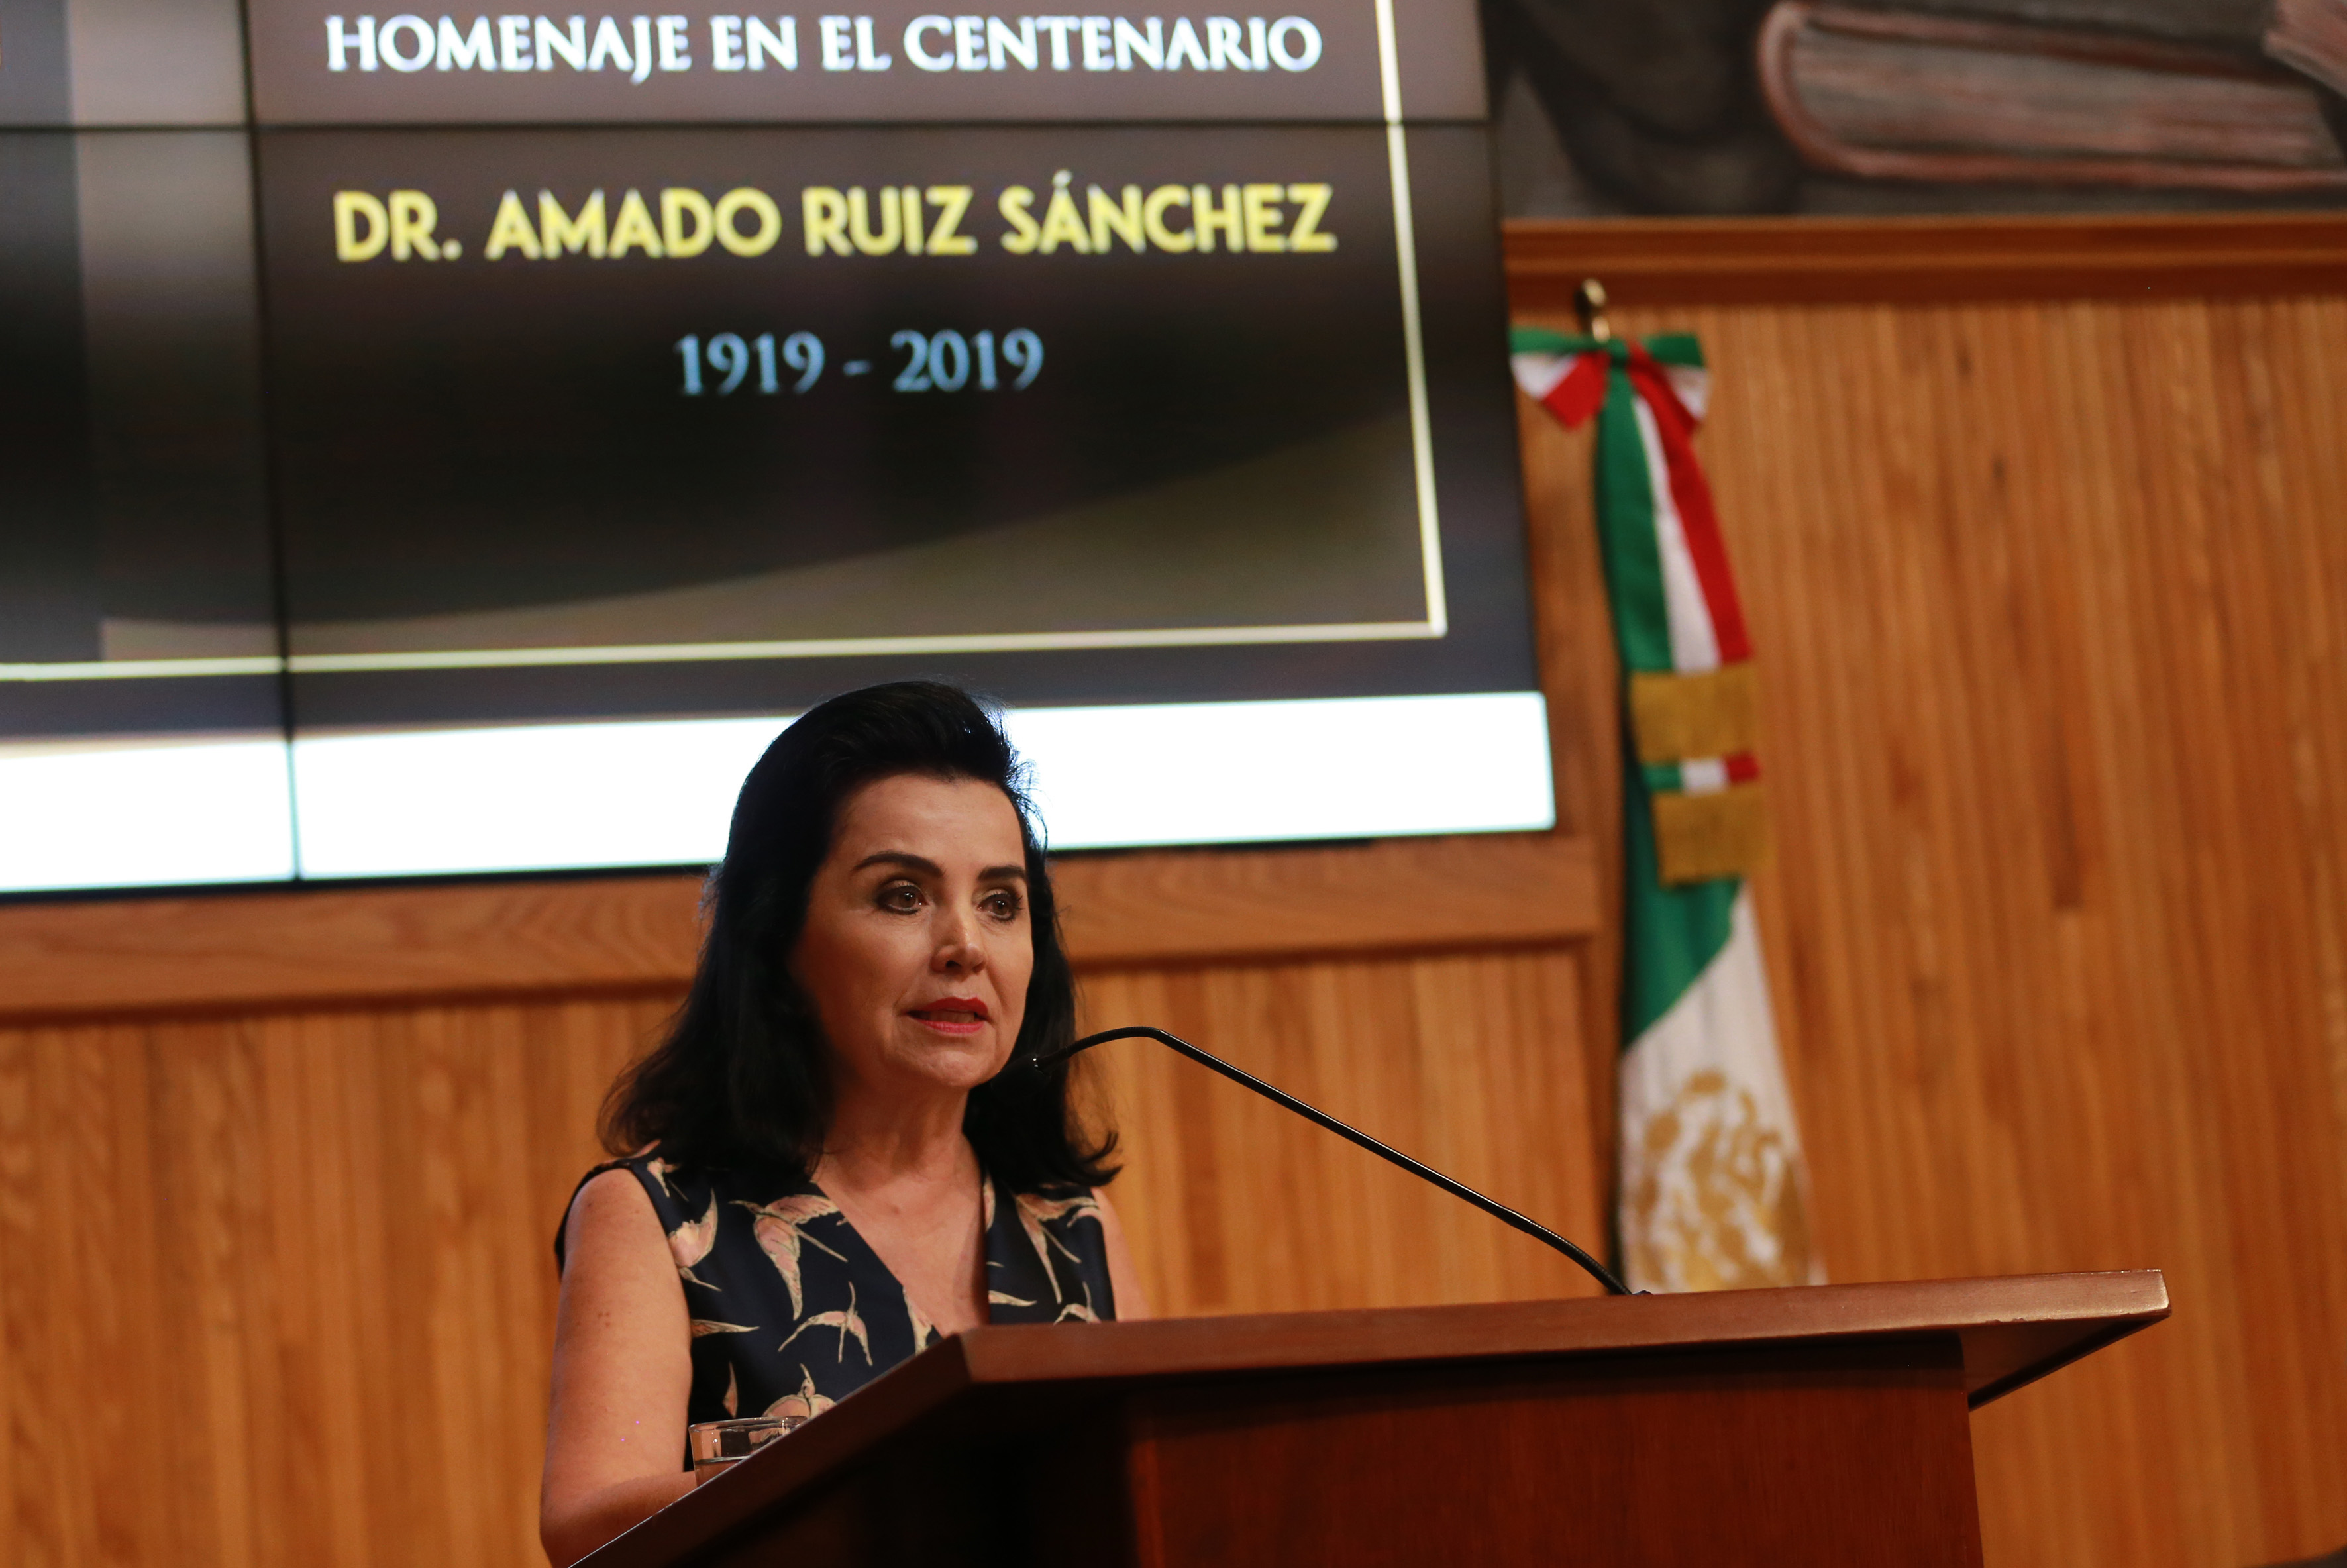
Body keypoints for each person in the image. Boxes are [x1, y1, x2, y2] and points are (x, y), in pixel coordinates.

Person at [539, 681, 1148, 1566]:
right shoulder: (663, 1217)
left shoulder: (1072, 1227)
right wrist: (880, 1472)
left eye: (1001, 902)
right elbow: (592, 1526)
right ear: (779, 937)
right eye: (903, 896)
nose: (966, 945)